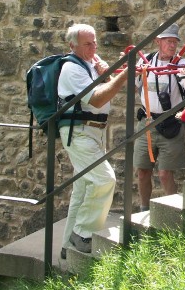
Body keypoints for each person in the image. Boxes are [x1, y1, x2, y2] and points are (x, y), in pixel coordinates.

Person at [58, 23, 129, 258]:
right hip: (79, 134)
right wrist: (123, 75)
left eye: (95, 42)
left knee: (84, 189)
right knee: (104, 180)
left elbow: (102, 92)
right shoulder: (72, 69)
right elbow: (97, 100)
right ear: (73, 46)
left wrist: (108, 73)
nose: (94, 47)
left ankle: (68, 247)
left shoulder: (90, 65)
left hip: (94, 134)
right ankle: (83, 234)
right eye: (88, 43)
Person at [134, 23, 185, 211]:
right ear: (158, 41)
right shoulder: (147, 61)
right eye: (168, 41)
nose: (172, 45)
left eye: (175, 42)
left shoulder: (181, 63)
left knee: (165, 173)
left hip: (170, 123)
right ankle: (143, 209)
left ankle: (173, 213)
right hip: (147, 123)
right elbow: (136, 86)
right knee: (142, 171)